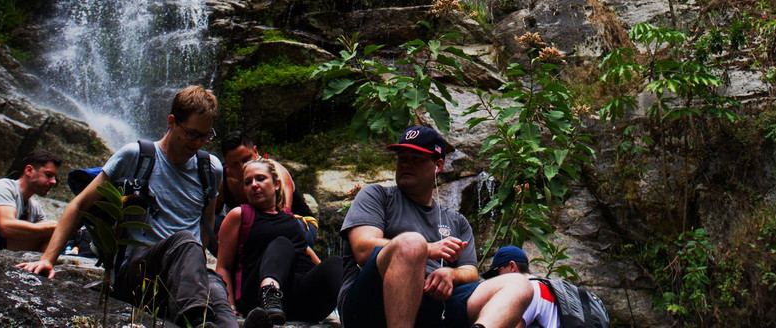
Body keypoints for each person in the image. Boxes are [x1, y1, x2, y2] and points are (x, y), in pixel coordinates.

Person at [18, 86, 236, 328]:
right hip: (138, 270)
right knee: (185, 242)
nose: (198, 143)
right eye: (192, 134)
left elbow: (204, 227)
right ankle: (193, 320)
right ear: (172, 121)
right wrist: (48, 259)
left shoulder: (210, 168)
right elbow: (79, 203)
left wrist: (194, 272)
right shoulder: (136, 155)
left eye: (206, 136)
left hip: (185, 273)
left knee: (216, 290)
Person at [338, 124, 532, 328]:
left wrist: (451, 274)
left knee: (519, 284)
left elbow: (471, 271)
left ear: (438, 166)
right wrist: (427, 249)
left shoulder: (457, 221)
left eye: (416, 159)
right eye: (402, 158)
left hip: (433, 306)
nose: (406, 164)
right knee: (412, 243)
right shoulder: (377, 196)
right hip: (369, 303)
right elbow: (362, 248)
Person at [215, 157, 341, 328]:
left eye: (260, 178)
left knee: (337, 263)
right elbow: (223, 266)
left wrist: (328, 272)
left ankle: (352, 306)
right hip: (258, 299)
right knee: (282, 243)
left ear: (276, 184)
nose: (254, 185)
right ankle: (269, 293)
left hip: (301, 298)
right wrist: (228, 306)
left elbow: (306, 252)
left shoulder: (290, 217)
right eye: (247, 182)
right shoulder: (240, 215)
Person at [213, 131, 316, 253]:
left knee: (285, 230)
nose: (242, 168)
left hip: (295, 225)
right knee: (207, 222)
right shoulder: (223, 180)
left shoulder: (275, 172)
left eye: (246, 159)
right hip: (254, 227)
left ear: (256, 152)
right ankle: (235, 266)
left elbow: (284, 217)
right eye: (235, 164)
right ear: (226, 162)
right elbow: (212, 214)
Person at [0, 149, 60, 251]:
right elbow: (6, 227)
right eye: (48, 175)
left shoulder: (35, 207)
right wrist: (50, 227)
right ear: (29, 170)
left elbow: (48, 235)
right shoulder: (3, 187)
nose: (53, 182)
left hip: (0, 247)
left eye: (55, 178)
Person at [476, 245, 557, 328]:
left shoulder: (528, 290)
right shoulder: (542, 286)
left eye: (496, 273)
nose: (496, 279)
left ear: (512, 266)